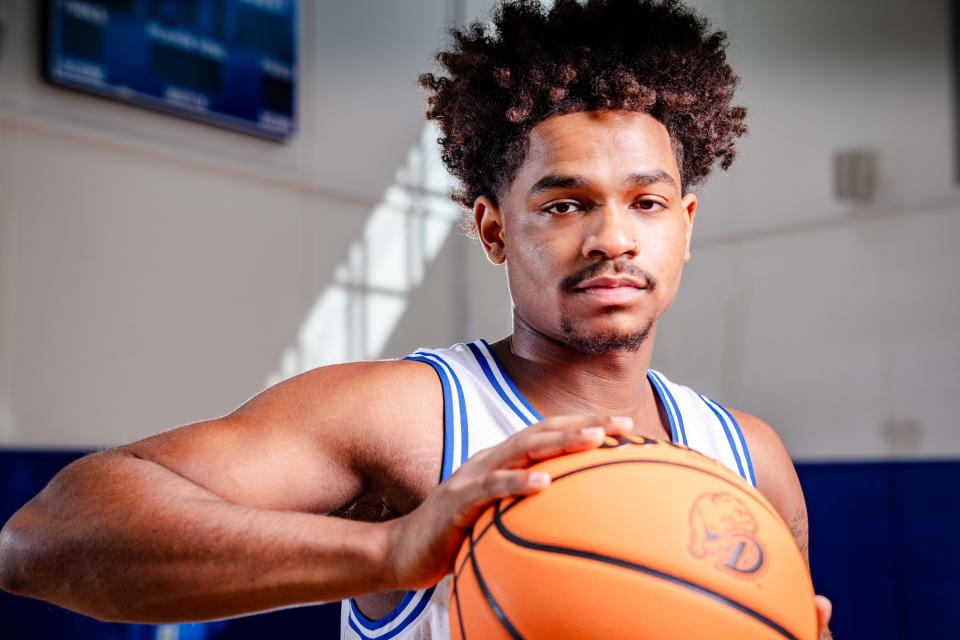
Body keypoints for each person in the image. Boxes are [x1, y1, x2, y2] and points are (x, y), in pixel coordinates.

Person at [0, 0, 832, 638]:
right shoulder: (406, 418)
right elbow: (43, 539)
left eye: (646, 202)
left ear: (684, 226)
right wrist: (389, 551)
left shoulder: (749, 459)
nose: (613, 237)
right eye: (565, 203)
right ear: (493, 230)